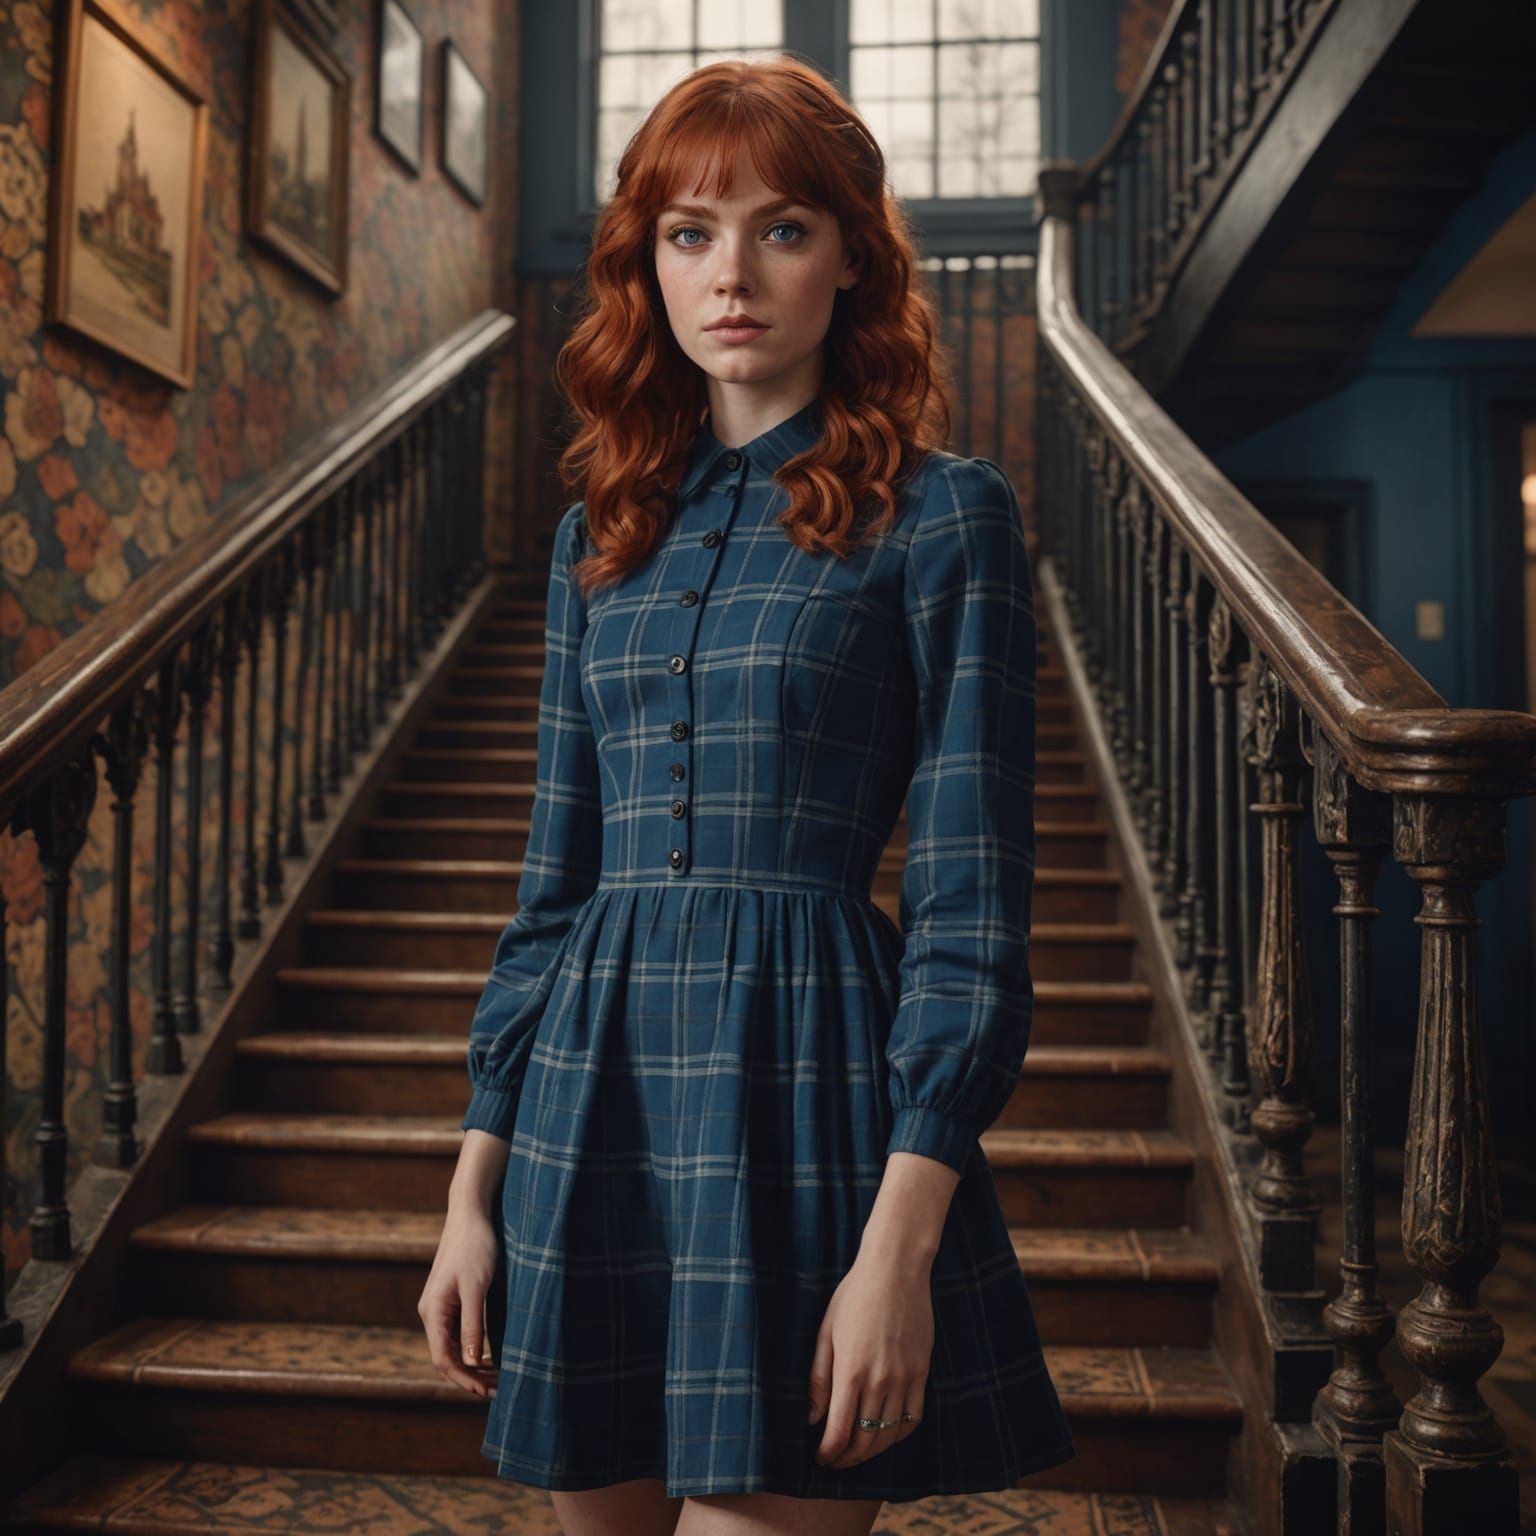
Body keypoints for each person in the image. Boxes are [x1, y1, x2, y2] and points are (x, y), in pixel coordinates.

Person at [417, 53, 1074, 1536]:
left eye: (782, 228)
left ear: (851, 255)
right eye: (688, 232)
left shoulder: (943, 513)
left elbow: (970, 910)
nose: (732, 274)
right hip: (588, 1106)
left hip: (809, 1097)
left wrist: (902, 1244)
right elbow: (551, 890)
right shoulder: (600, 538)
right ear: (645, 264)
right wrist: (473, 1185)